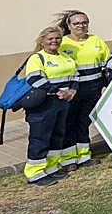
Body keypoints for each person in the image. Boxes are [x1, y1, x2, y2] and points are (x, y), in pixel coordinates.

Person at [20, 27, 78, 185]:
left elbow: (75, 75)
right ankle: (35, 173)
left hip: (62, 102)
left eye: (57, 38)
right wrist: (57, 91)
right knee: (40, 138)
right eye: (50, 38)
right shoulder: (37, 58)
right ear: (42, 41)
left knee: (57, 135)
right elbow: (34, 79)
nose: (54, 41)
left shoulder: (65, 57)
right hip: (44, 104)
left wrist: (72, 90)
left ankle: (51, 167)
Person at [57, 10, 109, 168]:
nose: (81, 25)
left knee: (84, 122)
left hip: (93, 88)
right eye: (76, 23)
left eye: (84, 22)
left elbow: (106, 64)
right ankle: (68, 159)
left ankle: (84, 156)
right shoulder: (62, 43)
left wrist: (105, 84)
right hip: (72, 90)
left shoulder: (96, 40)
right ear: (69, 25)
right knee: (69, 123)